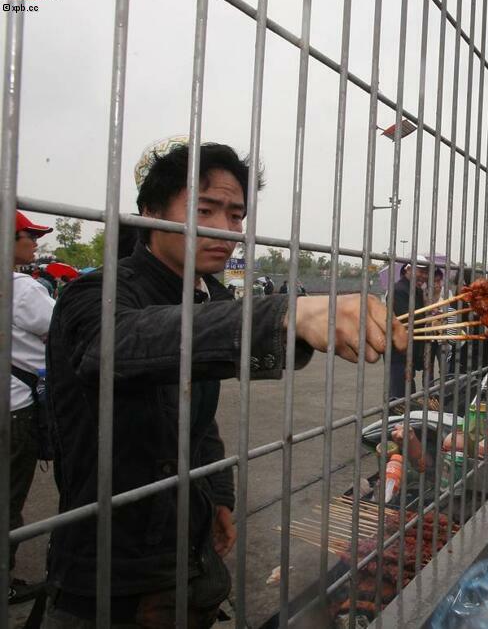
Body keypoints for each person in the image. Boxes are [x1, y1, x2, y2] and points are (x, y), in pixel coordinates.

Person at [43, 139, 406, 627]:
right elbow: (117, 346)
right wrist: (284, 315)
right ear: (151, 211)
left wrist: (218, 496)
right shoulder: (98, 292)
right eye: (204, 210)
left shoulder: (207, 294)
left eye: (236, 215)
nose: (225, 230)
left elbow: (198, 417)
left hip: (187, 545)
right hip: (109, 563)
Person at [8, 211, 54, 605]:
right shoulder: (22, 288)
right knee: (7, 497)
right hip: (15, 407)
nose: (35, 242)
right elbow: (64, 329)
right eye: (29, 235)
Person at [389, 263, 428, 412]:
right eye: (421, 271)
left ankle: (404, 426)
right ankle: (393, 426)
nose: (424, 276)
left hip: (411, 349)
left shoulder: (416, 290)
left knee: (408, 392)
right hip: (399, 349)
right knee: (399, 395)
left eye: (426, 273)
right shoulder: (399, 290)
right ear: (408, 269)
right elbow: (405, 320)